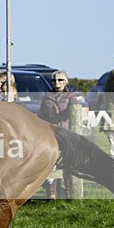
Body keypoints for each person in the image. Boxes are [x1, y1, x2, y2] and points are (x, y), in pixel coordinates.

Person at [38, 70, 80, 198]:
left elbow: (75, 112)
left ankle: (68, 193)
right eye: (54, 80)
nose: (57, 82)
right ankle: (52, 194)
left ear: (66, 81)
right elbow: (41, 115)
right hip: (50, 134)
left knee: (67, 164)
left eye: (60, 80)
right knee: (52, 164)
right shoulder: (47, 96)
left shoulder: (71, 97)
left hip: (66, 133)